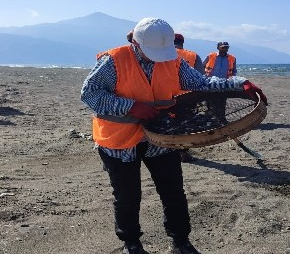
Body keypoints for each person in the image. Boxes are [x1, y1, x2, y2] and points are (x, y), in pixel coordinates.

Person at [80, 17, 267, 254]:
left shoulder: (173, 61)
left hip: (163, 136)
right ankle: (132, 244)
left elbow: (202, 83)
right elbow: (89, 94)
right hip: (120, 140)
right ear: (136, 44)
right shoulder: (114, 61)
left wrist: (241, 84)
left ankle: (181, 242)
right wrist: (130, 106)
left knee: (173, 191)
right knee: (127, 196)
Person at [173, 33, 203, 162]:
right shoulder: (193, 56)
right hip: (188, 97)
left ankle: (169, 151)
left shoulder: (162, 55)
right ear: (182, 42)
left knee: (167, 124)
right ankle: (182, 153)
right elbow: (200, 78)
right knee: (185, 124)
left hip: (167, 97)